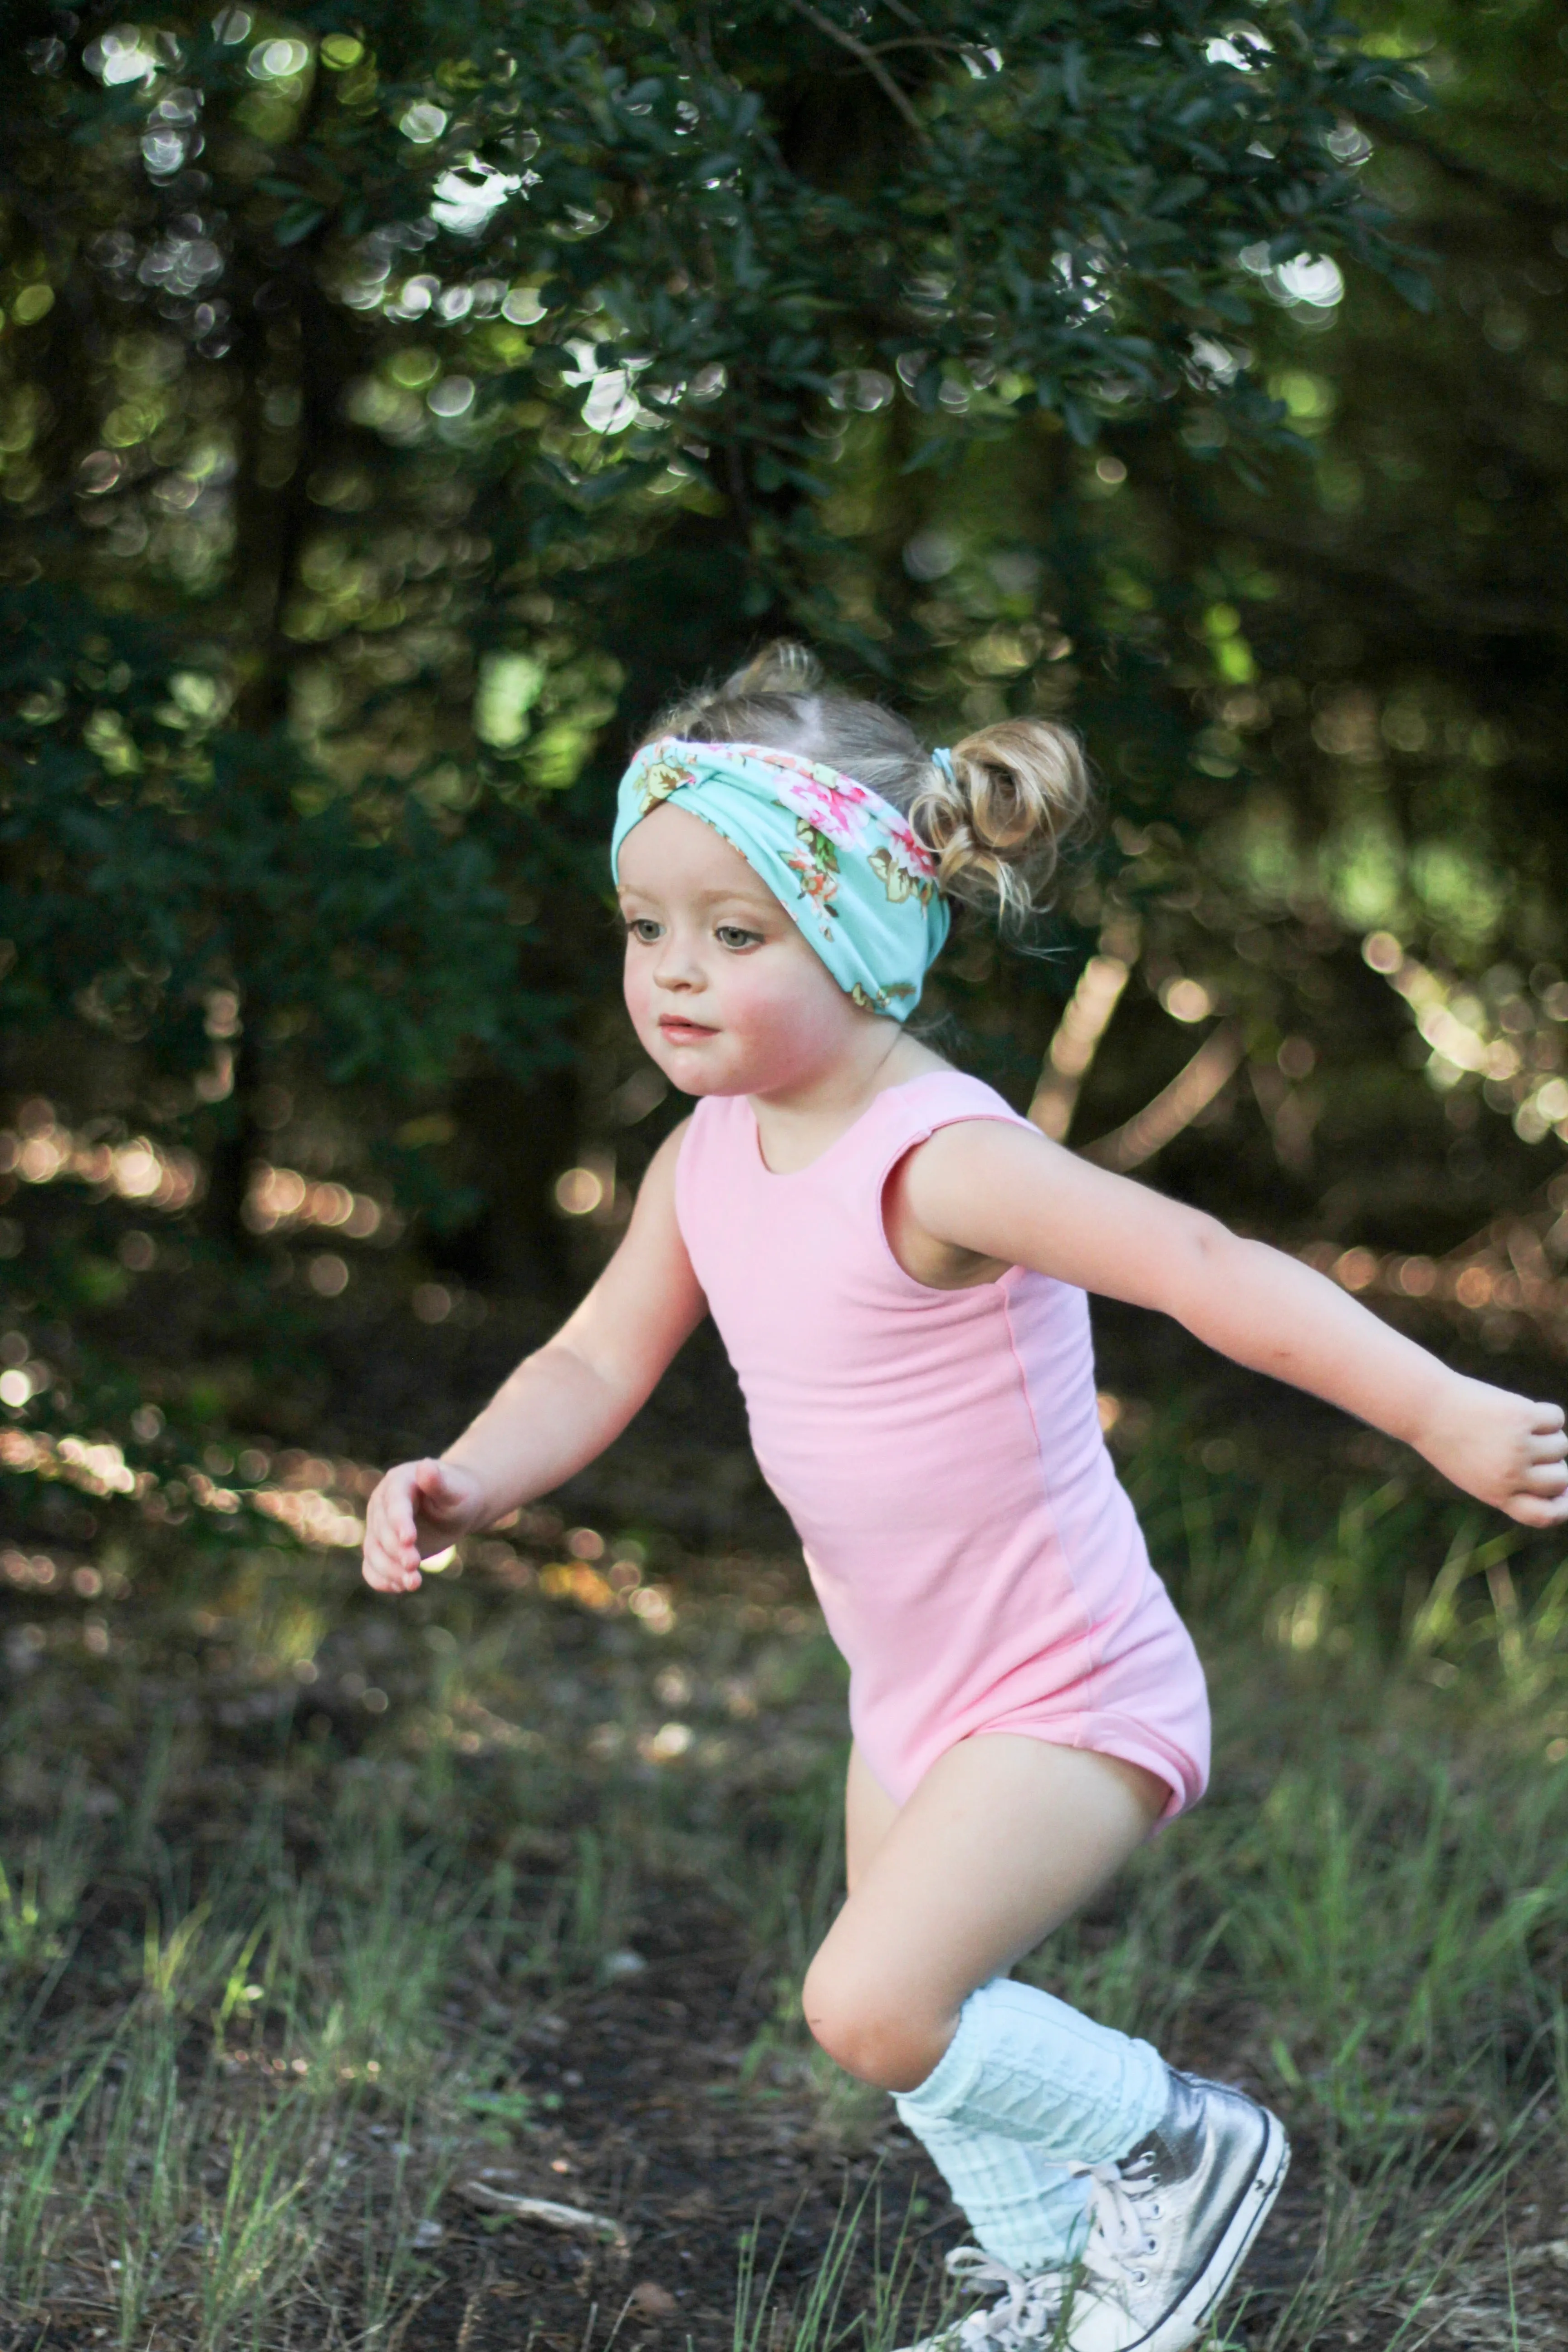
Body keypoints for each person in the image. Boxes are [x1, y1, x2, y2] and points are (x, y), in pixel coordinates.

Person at [361, 645, 1568, 2352]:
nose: (674, 976)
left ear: (858, 929)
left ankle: (1185, 2145)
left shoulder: (940, 1157)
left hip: (1065, 1685)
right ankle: (1060, 2276)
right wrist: (470, 1473)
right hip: (909, 1696)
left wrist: (1443, 1408)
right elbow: (588, 1360)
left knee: (871, 2003)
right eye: (647, 929)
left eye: (737, 931)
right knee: (933, 2033)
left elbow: (1203, 1267)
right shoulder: (708, 1155)